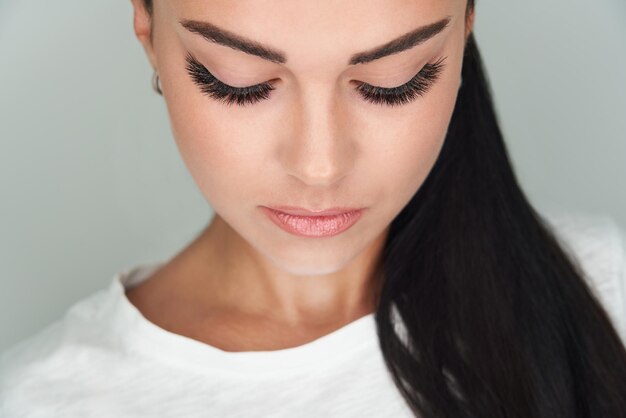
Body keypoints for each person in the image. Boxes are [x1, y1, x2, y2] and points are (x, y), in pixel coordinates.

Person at [1, 0, 625, 416]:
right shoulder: (35, 401)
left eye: (394, 81)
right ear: (148, 28)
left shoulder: (608, 292)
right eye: (238, 81)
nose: (319, 165)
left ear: (465, 26)